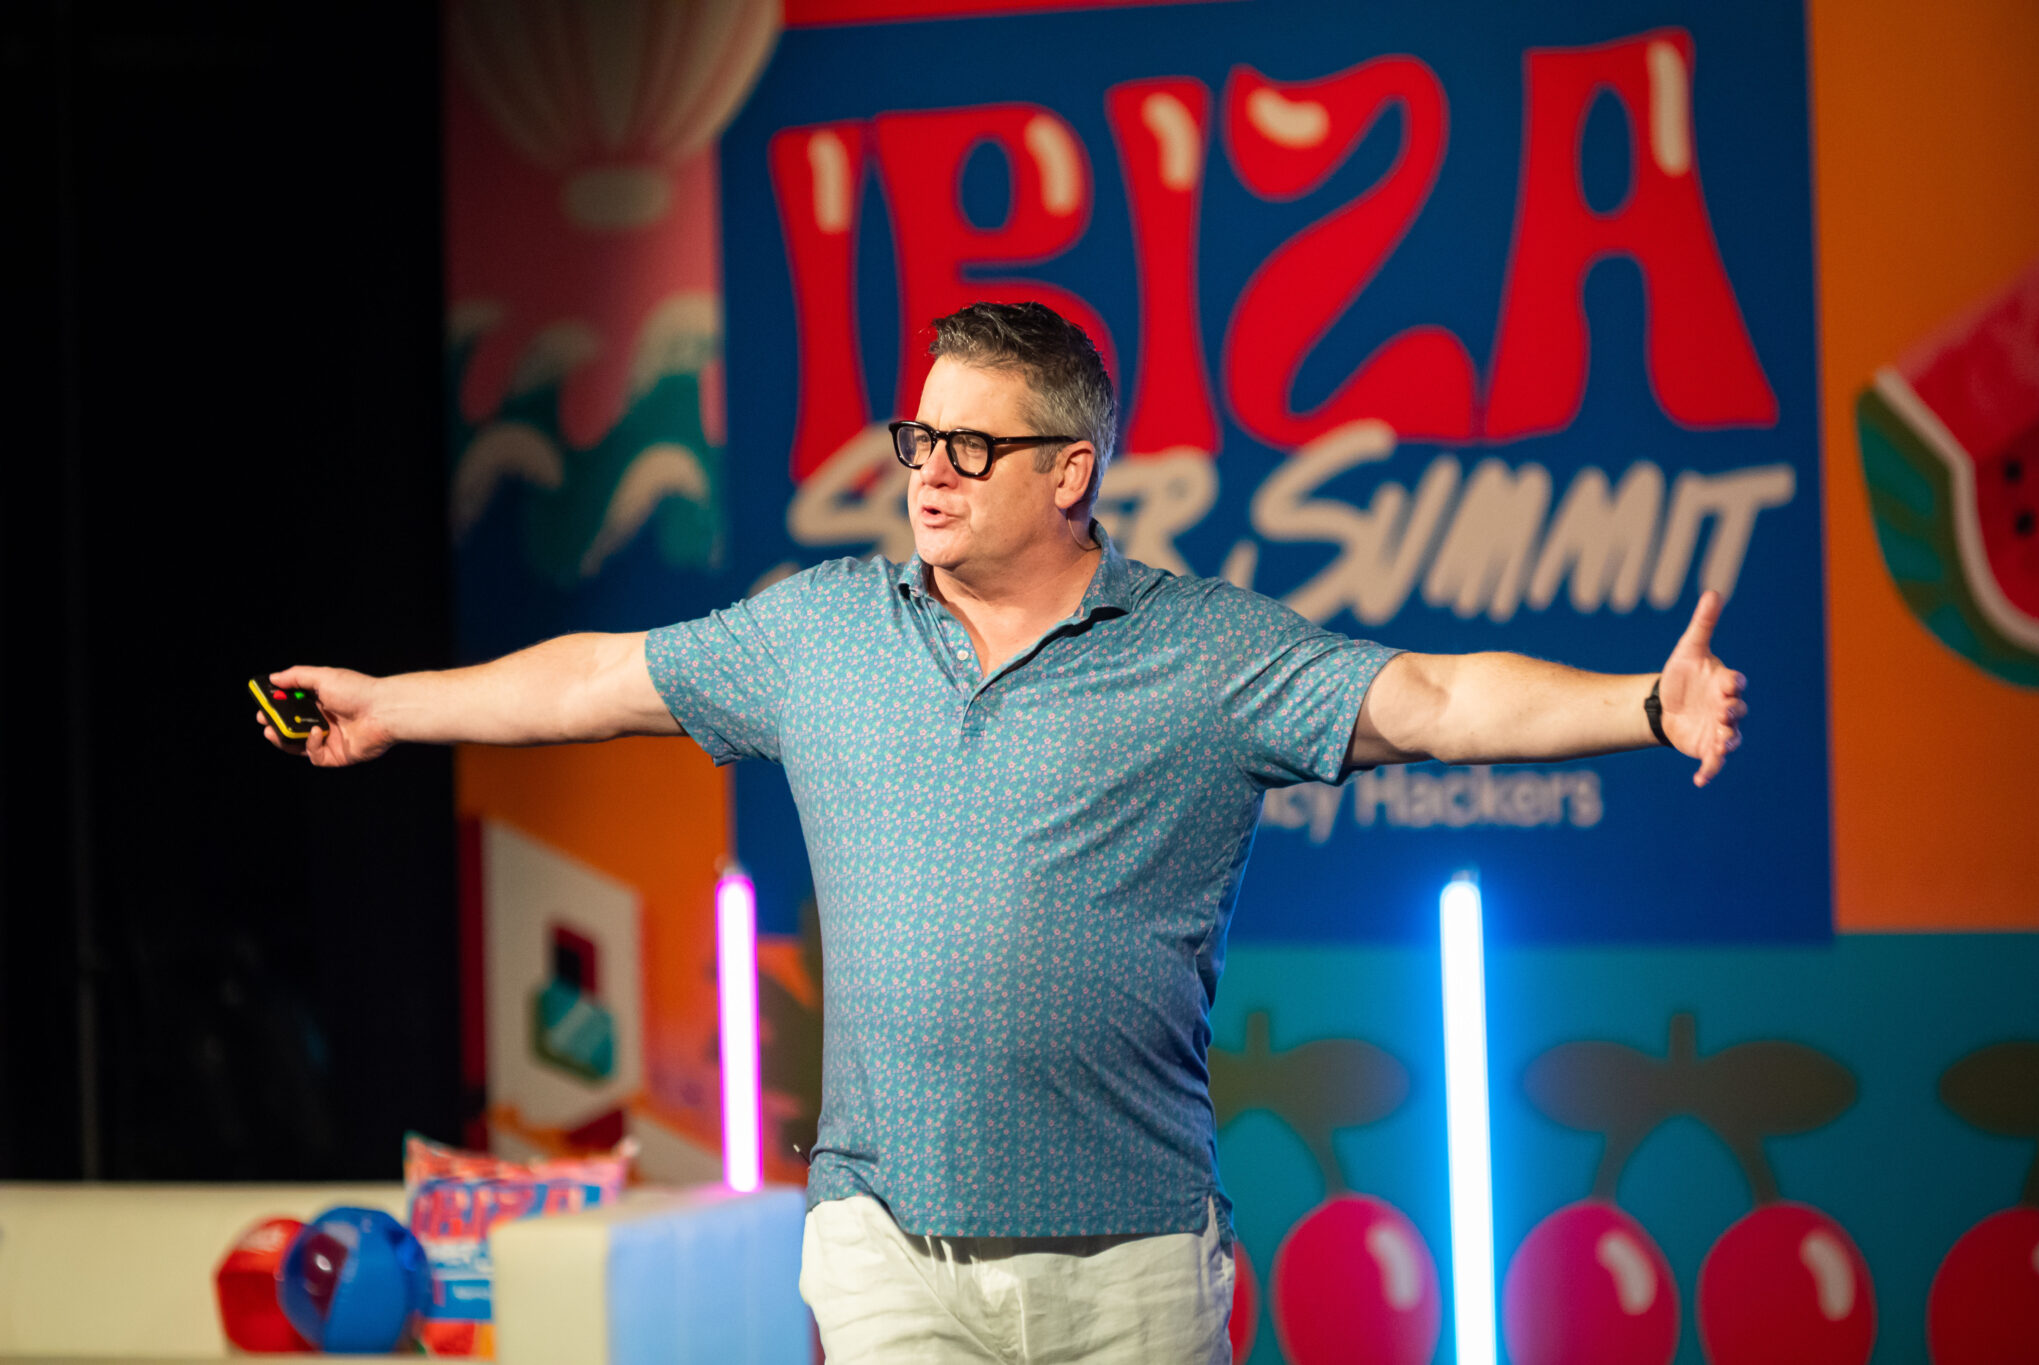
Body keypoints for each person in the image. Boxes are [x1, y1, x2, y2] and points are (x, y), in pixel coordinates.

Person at [260, 301, 1746, 1364]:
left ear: (1071, 471)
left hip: (1135, 1280)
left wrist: (1642, 702)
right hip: (889, 1253)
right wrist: (396, 703)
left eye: (974, 447)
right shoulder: (823, 631)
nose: (930, 470)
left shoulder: (1201, 651)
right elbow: (597, 675)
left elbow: (1427, 699)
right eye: (920, 436)